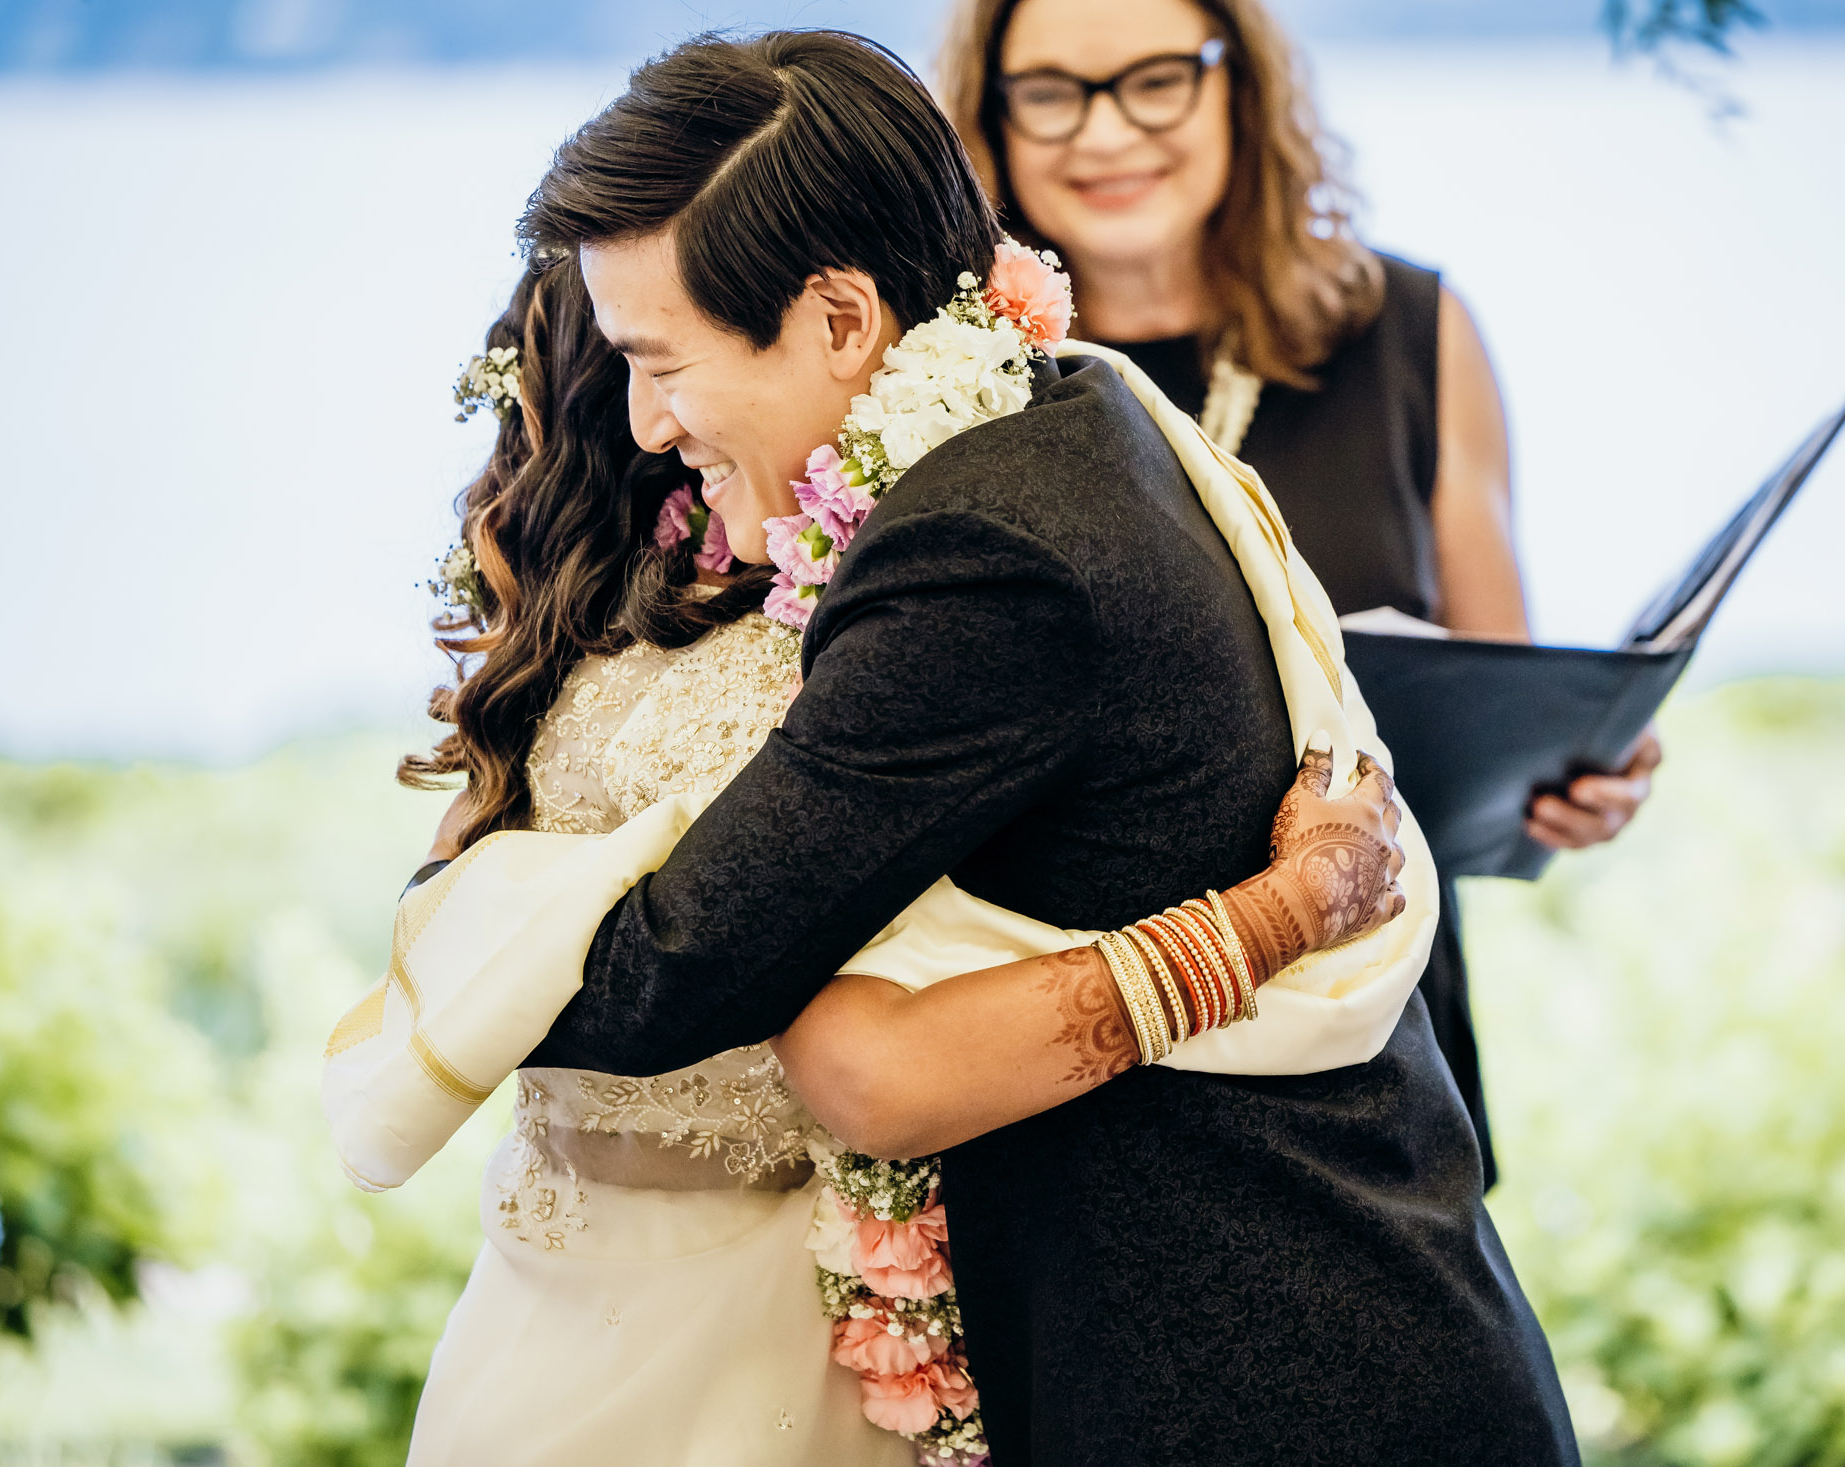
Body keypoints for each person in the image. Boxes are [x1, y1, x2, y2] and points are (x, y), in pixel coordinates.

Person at [495, 29, 1579, 1467]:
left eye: (660, 362)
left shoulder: (978, 548)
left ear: (838, 320)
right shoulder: (1073, 402)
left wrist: (441, 941)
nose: (646, 420)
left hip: (1271, 1365)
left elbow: (671, 977)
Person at [365, 254, 1412, 1462]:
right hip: (589, 1261)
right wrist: (1290, 909)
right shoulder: (728, 623)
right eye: (638, 364)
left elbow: (451, 917)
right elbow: (827, 1049)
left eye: (672, 359)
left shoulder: (842, 602)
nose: (664, 414)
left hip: (788, 1282)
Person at [936, 0, 1664, 1186]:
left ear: (1240, 88)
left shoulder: (1412, 333)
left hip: (1371, 1033)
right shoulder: (947, 376)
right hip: (1063, 1034)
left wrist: (1577, 773)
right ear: (991, 120)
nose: (1105, 131)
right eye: (1053, 91)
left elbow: (1494, 695)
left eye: (1157, 79)